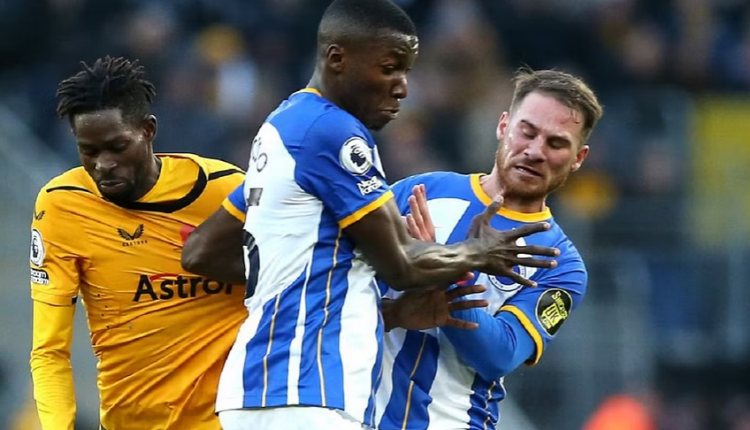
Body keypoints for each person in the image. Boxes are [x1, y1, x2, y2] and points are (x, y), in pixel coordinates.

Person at [199, 1, 560, 429]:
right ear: (337, 58)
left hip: (260, 386)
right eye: (389, 68)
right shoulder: (334, 132)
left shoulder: (283, 126)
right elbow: (402, 265)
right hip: (309, 387)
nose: (403, 87)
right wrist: (476, 253)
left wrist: (383, 312)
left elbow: (202, 252)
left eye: (406, 71)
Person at [374, 68, 603, 430]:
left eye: (556, 144)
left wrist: (445, 270)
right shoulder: (422, 192)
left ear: (578, 158)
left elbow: (501, 355)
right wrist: (394, 313)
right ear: (503, 126)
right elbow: (340, 286)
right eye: (527, 132)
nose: (535, 151)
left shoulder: (560, 263)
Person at [29, 56, 247, 430]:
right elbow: (49, 349)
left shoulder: (226, 191)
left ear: (148, 130)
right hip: (129, 421)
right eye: (89, 151)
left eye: (117, 147)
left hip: (229, 419)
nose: (103, 164)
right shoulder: (63, 207)